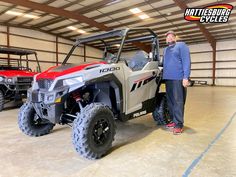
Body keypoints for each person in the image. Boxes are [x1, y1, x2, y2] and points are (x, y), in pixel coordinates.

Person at [163, 31, 191, 135]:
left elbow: (186, 61)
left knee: (178, 101)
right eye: (167, 37)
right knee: (170, 101)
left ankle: (179, 124)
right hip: (168, 79)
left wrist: (186, 77)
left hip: (178, 78)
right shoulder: (166, 50)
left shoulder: (181, 46)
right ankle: (173, 121)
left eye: (171, 36)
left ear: (175, 37)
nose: (169, 38)